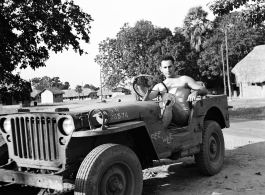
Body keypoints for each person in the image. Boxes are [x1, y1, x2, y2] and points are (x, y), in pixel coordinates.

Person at [136, 55, 208, 127]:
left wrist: (196, 92)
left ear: (174, 66)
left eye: (170, 66)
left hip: (183, 116)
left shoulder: (184, 79)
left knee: (168, 97)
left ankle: (162, 129)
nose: (168, 70)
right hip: (166, 116)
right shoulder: (159, 86)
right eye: (165, 67)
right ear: (161, 69)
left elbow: (204, 90)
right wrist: (139, 85)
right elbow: (148, 98)